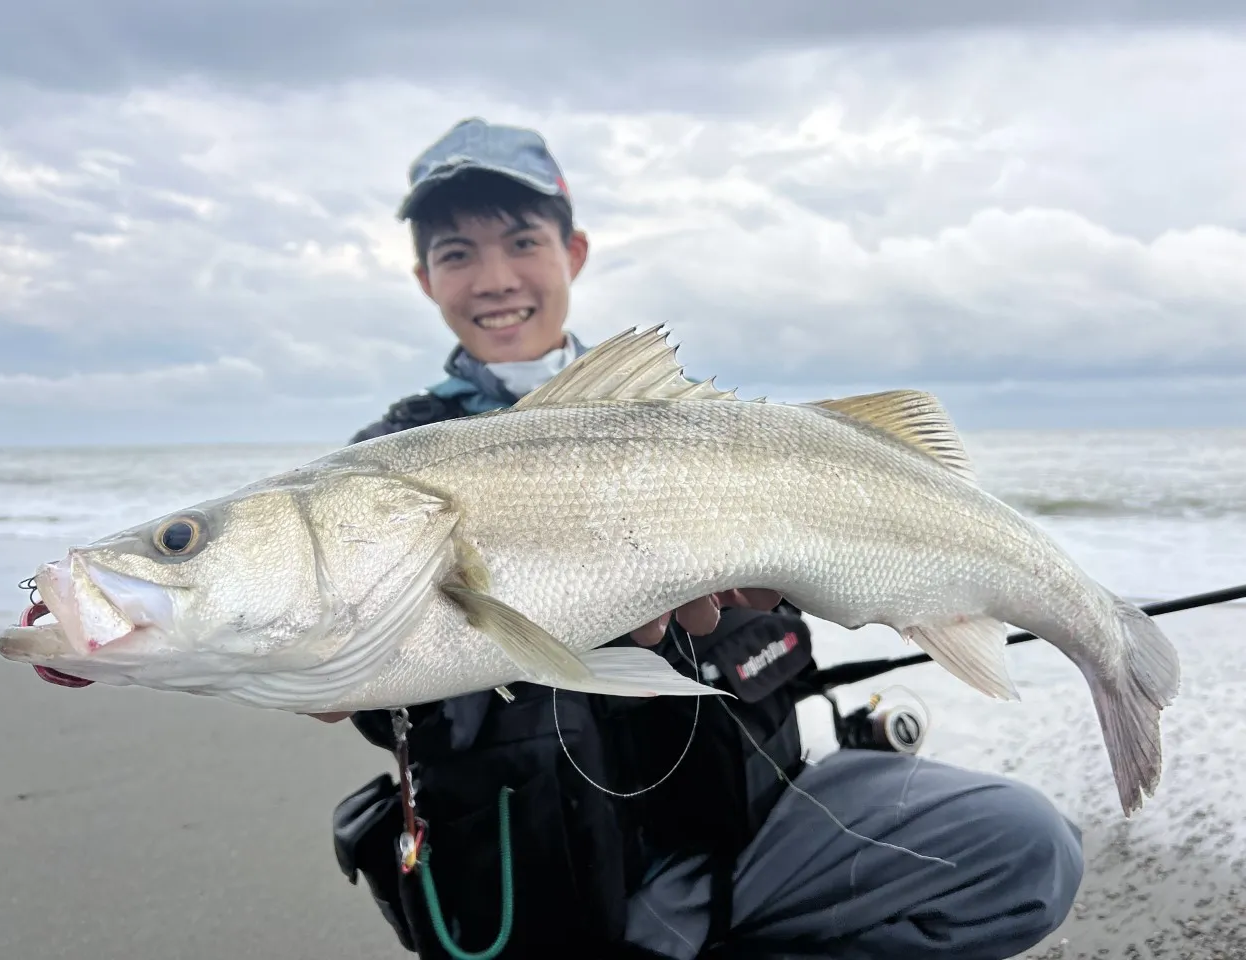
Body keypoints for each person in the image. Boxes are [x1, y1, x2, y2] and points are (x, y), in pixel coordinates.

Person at [324, 118, 1086, 960]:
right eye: (457, 252)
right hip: (562, 873)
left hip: (753, 824)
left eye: (521, 240)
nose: (495, 278)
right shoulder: (377, 467)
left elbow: (826, 570)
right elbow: (377, 691)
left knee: (1028, 846)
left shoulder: (684, 423)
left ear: (574, 252)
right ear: (424, 278)